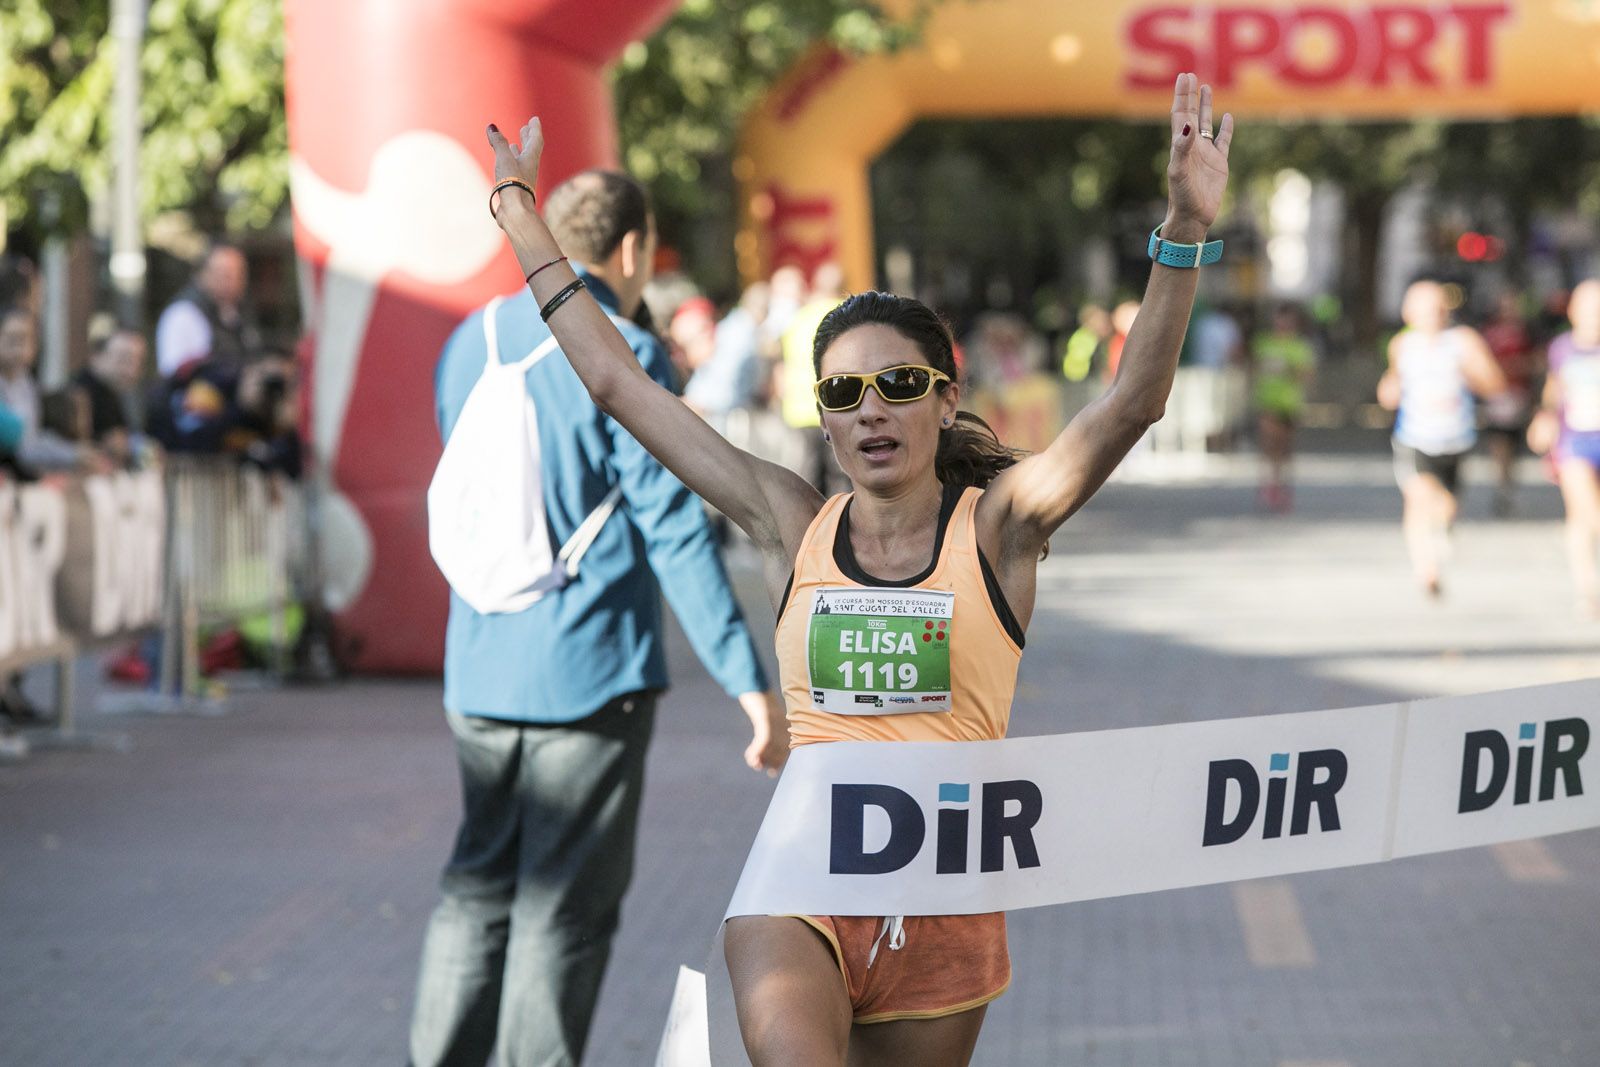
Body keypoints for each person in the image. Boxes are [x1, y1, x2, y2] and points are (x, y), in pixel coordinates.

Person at [481, 71, 1232, 1066]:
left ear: (941, 397)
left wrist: (1181, 229)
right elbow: (618, 383)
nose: (870, 407)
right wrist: (518, 212)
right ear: (823, 411)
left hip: (948, 910)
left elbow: (1131, 403)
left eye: (898, 383)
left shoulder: (1000, 526)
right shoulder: (791, 518)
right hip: (800, 889)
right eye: (844, 388)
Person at [410, 168, 788, 1067]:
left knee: (475, 890)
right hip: (589, 669)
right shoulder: (622, 349)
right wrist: (746, 678)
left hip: (481, 659)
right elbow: (672, 525)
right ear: (628, 250)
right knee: (563, 908)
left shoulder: (470, 338)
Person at [1377, 280, 1507, 598]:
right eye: (1422, 308)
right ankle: (1426, 569)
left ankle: (1442, 530)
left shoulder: (1463, 341)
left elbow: (1494, 385)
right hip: (1415, 437)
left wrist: (1470, 372)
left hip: (1455, 438)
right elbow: (1390, 389)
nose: (1431, 315)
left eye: (1437, 308)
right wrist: (1389, 390)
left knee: (1446, 505)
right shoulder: (1402, 345)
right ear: (1408, 312)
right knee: (1418, 497)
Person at [1528, 279, 1600, 616]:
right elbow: (1554, 389)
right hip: (1576, 440)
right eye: (1587, 309)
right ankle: (1587, 589)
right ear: (1572, 312)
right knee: (1584, 508)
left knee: (1580, 519)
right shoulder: (1561, 348)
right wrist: (1544, 417)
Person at [154, 242, 260, 377]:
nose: (232, 281)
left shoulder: (239, 312)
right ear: (203, 274)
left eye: (238, 274)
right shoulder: (184, 314)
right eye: (225, 274)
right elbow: (177, 376)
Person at [1251, 303, 1316, 512]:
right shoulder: (1264, 343)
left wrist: (1287, 369)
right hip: (1268, 401)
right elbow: (1253, 367)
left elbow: (1306, 375)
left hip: (1289, 402)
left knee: (1285, 448)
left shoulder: (1299, 346)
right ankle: (1268, 484)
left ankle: (1283, 485)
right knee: (1269, 443)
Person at [1480, 291, 1537, 516]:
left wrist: (1521, 366)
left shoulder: (1528, 333)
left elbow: (1538, 361)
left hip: (1521, 397)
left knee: (1515, 448)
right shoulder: (1488, 333)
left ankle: (1508, 482)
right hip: (1498, 399)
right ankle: (1502, 486)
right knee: (1499, 443)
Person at [73, 326, 148, 465]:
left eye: (139, 361)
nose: (131, 371)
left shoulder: (113, 393)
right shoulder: (78, 394)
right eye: (124, 359)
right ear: (96, 356)